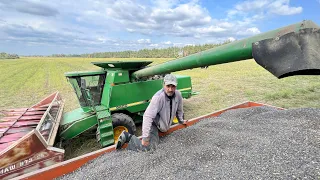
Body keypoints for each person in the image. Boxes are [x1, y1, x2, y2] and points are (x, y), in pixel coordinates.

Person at [115, 74, 188, 151]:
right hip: (154, 125)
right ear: (163, 85)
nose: (170, 89)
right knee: (149, 148)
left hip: (164, 125)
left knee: (155, 142)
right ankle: (127, 137)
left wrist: (181, 121)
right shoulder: (158, 97)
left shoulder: (178, 95)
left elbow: (179, 110)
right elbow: (148, 116)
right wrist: (145, 137)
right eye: (168, 86)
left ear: (176, 86)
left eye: (173, 86)